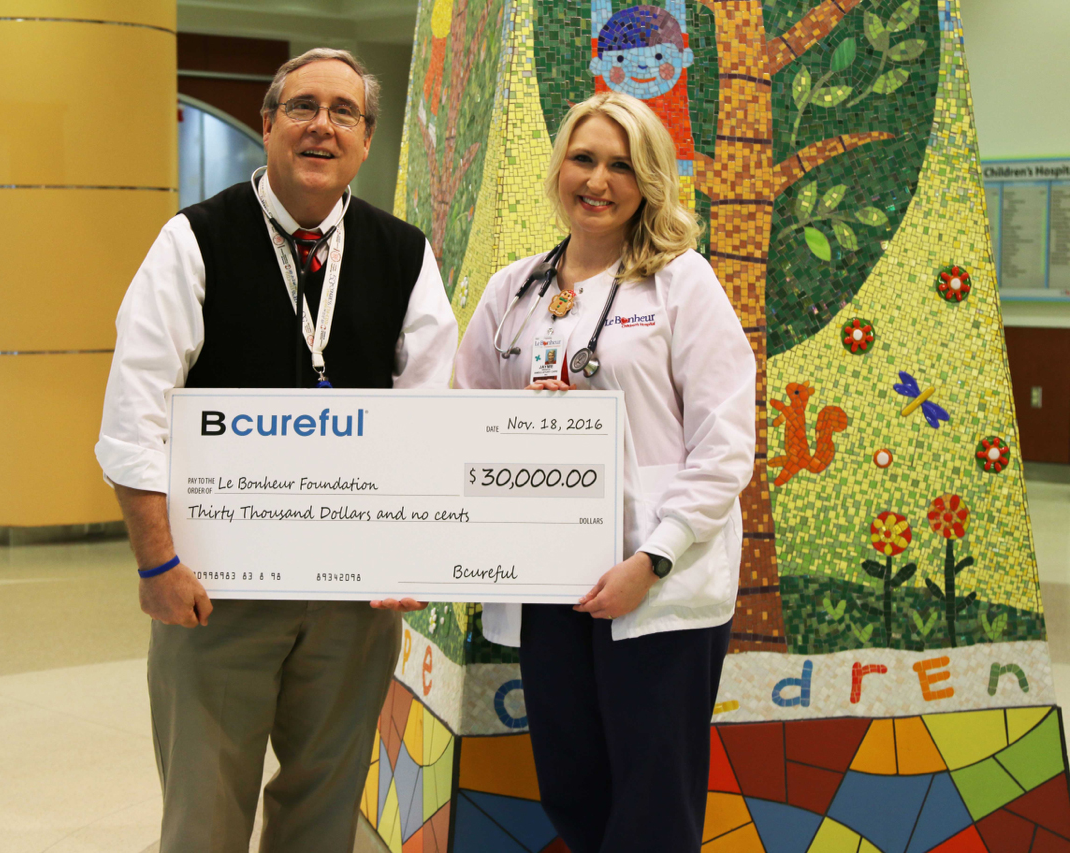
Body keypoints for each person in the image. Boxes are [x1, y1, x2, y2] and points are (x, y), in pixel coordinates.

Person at [95, 48, 457, 853]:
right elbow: (132, 416)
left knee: (325, 806)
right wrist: (156, 566)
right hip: (215, 589)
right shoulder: (192, 242)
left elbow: (431, 417)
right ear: (267, 125)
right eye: (301, 107)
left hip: (351, 597)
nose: (321, 125)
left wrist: (412, 553)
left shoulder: (405, 256)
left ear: (367, 140)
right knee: (204, 809)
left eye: (344, 112)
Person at [453, 92, 755, 852]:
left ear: (648, 180)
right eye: (584, 159)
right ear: (559, 167)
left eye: (622, 164)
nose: (599, 179)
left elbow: (724, 443)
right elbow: (463, 423)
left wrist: (653, 558)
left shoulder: (681, 283)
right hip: (549, 575)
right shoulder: (513, 291)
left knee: (654, 797)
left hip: (655, 580)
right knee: (572, 783)